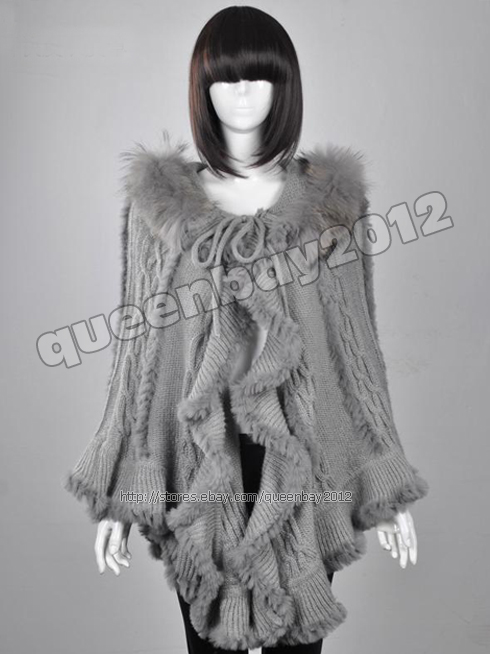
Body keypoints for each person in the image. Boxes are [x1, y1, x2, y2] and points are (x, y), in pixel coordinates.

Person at [64, 6, 429, 653]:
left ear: (284, 86)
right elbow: (136, 354)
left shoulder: (330, 205)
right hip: (199, 458)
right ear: (201, 87)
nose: (241, 93)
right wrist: (121, 481)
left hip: (304, 458)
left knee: (299, 637)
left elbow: (356, 348)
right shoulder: (156, 210)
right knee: (209, 635)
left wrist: (384, 475)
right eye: (224, 78)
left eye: (259, 76)